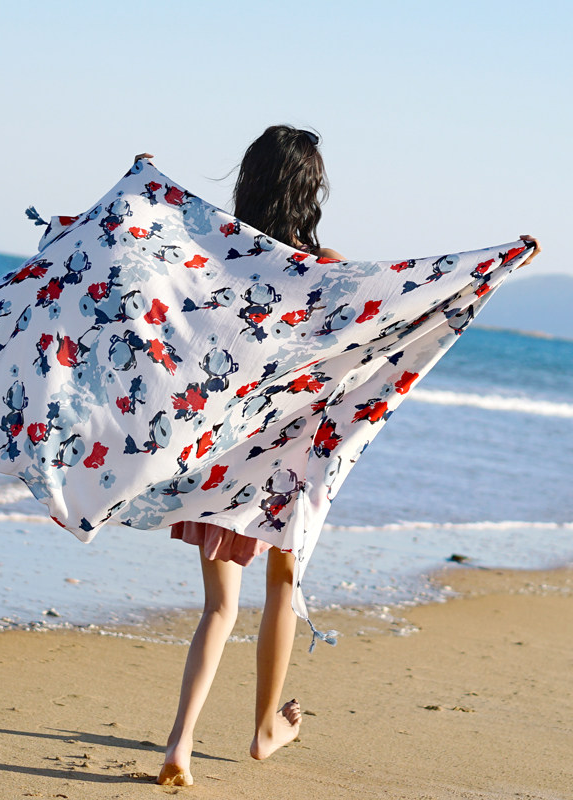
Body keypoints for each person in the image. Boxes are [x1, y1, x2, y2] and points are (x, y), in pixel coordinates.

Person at [142, 126, 543, 787]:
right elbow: (400, 310)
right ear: (312, 191)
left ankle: (179, 746)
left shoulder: (225, 255)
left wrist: (151, 188)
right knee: (282, 584)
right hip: (292, 460)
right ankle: (266, 726)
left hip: (223, 456)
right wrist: (498, 263)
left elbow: (159, 272)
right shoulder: (323, 264)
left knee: (217, 608)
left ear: (248, 181)